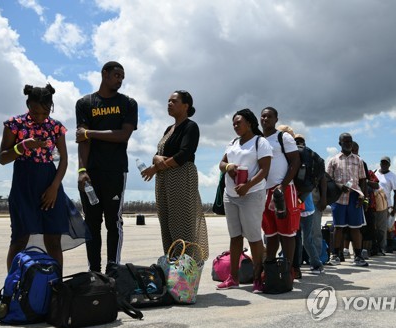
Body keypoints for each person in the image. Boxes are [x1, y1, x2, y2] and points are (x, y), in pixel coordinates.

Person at [76, 61, 138, 273]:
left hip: (115, 171)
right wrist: (81, 171)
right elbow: (81, 140)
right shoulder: (85, 103)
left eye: (122, 77)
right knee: (91, 223)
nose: (119, 80)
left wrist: (90, 132)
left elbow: (123, 135)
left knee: (114, 222)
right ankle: (94, 272)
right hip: (91, 173)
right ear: (104, 74)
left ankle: (113, 269)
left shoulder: (128, 103)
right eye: (116, 75)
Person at [0, 84, 68, 270]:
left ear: (51, 106)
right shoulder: (14, 124)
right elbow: (2, 158)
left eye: (44, 113)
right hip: (24, 184)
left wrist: (54, 188)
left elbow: (64, 160)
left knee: (53, 240)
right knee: (20, 239)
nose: (39, 117)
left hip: (50, 185)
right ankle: (12, 286)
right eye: (35, 112)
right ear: (28, 104)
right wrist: (22, 146)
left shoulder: (56, 127)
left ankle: (56, 288)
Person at [141, 90, 209, 260]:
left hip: (181, 177)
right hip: (164, 179)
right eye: (168, 101)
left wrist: (159, 163)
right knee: (167, 224)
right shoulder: (169, 129)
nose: (169, 104)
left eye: (174, 101)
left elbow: (183, 155)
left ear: (186, 106)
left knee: (182, 225)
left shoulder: (190, 126)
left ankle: (184, 270)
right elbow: (159, 154)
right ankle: (172, 266)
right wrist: (155, 162)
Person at [214, 109, 272, 292]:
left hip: (252, 194)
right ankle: (233, 278)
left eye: (239, 122)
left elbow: (264, 170)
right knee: (235, 236)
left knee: (254, 237)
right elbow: (221, 163)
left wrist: (247, 186)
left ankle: (258, 279)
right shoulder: (232, 143)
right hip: (230, 195)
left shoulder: (260, 142)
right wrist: (229, 167)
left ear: (249, 123)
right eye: (234, 123)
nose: (235, 126)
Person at [260, 107, 301, 277]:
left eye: (269, 116)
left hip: (282, 189)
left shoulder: (282, 137)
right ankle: (270, 267)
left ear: (276, 119)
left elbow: (295, 162)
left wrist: (282, 186)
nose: (265, 119)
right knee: (270, 232)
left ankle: (289, 268)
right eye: (263, 116)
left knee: (287, 232)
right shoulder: (259, 140)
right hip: (263, 190)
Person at [326, 133, 369, 267]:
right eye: (345, 141)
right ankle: (335, 255)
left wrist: (363, 197)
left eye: (350, 141)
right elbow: (327, 180)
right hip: (338, 198)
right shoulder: (334, 160)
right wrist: (339, 186)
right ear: (340, 143)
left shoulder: (358, 160)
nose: (348, 143)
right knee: (338, 227)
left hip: (355, 197)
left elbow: (363, 180)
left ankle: (358, 256)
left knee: (355, 228)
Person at [293, 134, 324, 275]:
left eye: (301, 142)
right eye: (297, 141)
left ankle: (316, 264)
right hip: (300, 205)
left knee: (305, 239)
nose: (299, 144)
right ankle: (297, 265)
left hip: (304, 207)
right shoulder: (305, 159)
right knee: (298, 238)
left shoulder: (307, 160)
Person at [374, 156, 396, 254]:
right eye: (382, 163)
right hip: (374, 204)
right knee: (375, 226)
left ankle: (383, 246)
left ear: (389, 164)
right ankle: (375, 246)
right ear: (380, 163)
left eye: (386, 163)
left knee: (384, 227)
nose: (384, 165)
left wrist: (395, 207)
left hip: (386, 205)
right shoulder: (375, 172)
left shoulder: (392, 176)